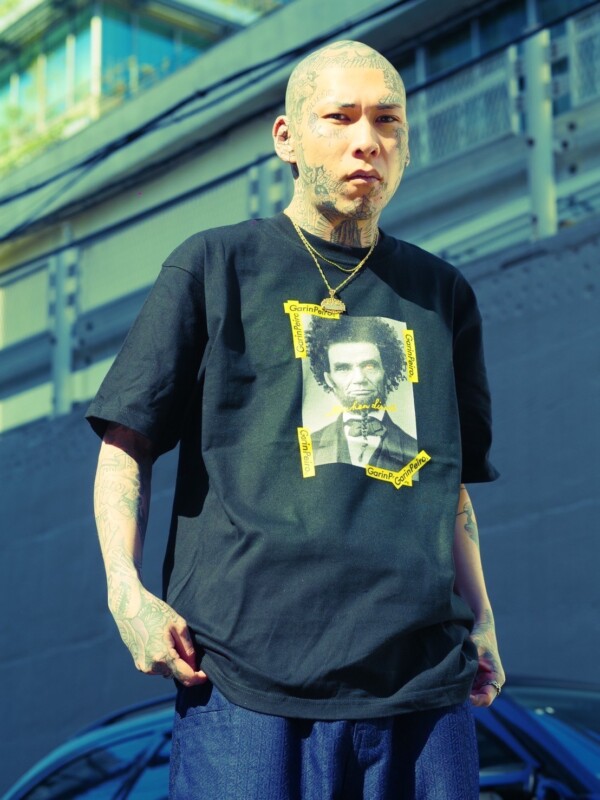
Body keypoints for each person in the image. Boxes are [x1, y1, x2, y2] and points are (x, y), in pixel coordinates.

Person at [88, 39, 504, 800]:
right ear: (287, 137)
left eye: (387, 120)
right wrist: (125, 591)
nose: (366, 140)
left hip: (423, 684)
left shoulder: (442, 294)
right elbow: (126, 444)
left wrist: (483, 617)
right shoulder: (214, 266)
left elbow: (449, 485)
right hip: (246, 680)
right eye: (339, 117)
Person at [305, 315, 418, 469]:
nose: (359, 379)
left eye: (369, 366)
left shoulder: (415, 450)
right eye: (343, 368)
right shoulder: (307, 448)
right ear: (329, 379)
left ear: (387, 372)